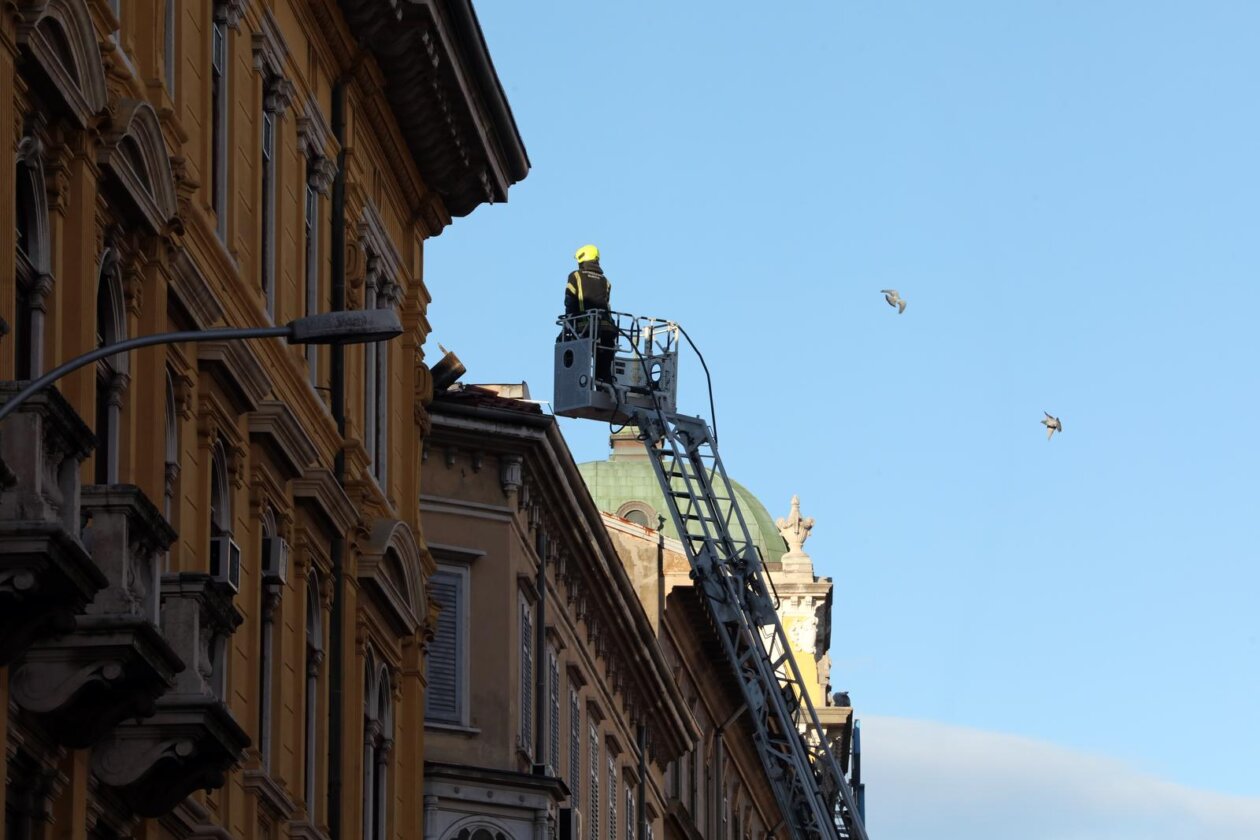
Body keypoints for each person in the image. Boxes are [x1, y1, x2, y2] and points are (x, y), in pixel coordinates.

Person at [564, 244, 616, 382]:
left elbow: (570, 303)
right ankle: (605, 383)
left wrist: (567, 325)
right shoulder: (606, 281)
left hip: (584, 327)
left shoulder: (575, 276)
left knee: (564, 346)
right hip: (607, 329)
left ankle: (577, 381)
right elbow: (607, 305)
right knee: (603, 370)